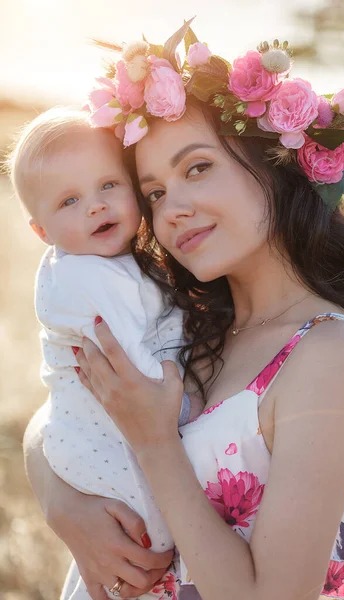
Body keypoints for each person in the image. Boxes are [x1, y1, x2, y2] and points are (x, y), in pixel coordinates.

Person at [24, 22, 344, 600]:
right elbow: (60, 410)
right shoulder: (194, 320)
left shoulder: (329, 352)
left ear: (275, 164)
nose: (172, 209)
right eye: (152, 192)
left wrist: (155, 444)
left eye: (196, 167)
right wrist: (61, 502)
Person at [8, 108, 204, 600]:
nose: (95, 207)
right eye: (70, 200)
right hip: (100, 440)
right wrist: (187, 405)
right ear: (41, 232)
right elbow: (139, 369)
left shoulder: (115, 264)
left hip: (94, 441)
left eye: (108, 186)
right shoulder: (85, 277)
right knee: (142, 535)